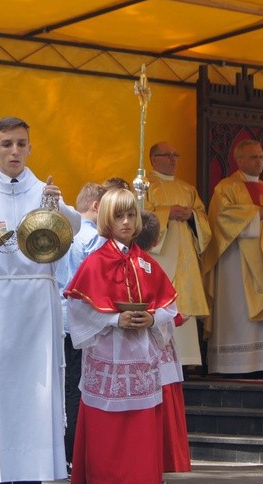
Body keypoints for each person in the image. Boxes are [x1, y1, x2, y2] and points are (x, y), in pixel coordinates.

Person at [0, 116, 79, 484]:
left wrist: (61, 208)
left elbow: (75, 233)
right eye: (7, 144)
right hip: (1, 301)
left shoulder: (46, 192)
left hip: (39, 299)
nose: (15, 151)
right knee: (1, 387)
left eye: (21, 144)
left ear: (30, 148)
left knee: (38, 388)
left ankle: (36, 470)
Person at [64, 188, 180, 484]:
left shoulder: (149, 264)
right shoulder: (95, 262)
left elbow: (170, 307)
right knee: (108, 433)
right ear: (106, 219)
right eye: (119, 216)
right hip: (109, 358)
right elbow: (78, 311)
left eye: (131, 215)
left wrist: (151, 318)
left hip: (141, 360)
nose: (126, 222)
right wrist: (116, 318)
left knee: (140, 434)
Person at [202, 139, 263, 377]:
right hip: (236, 263)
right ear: (239, 160)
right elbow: (220, 219)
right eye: (254, 157)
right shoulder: (226, 188)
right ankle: (237, 363)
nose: (259, 161)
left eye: (262, 157)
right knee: (240, 306)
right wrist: (256, 214)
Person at [55, 182, 106, 475]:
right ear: (97, 206)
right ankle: (74, 451)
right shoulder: (95, 239)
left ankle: (63, 449)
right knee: (79, 386)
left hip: (60, 317)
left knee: (65, 386)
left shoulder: (64, 234)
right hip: (81, 319)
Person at [146, 141, 211, 368]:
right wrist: (166, 213)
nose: (173, 160)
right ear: (154, 159)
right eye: (167, 155)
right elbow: (139, 218)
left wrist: (191, 215)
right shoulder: (145, 185)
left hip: (185, 254)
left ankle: (187, 360)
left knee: (184, 301)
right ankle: (162, 359)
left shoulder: (187, 189)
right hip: (160, 255)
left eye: (176, 155)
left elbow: (204, 220)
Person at [136, 210, 191, 473]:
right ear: (157, 240)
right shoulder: (149, 266)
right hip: (155, 349)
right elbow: (166, 310)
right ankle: (161, 463)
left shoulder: (137, 263)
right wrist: (179, 318)